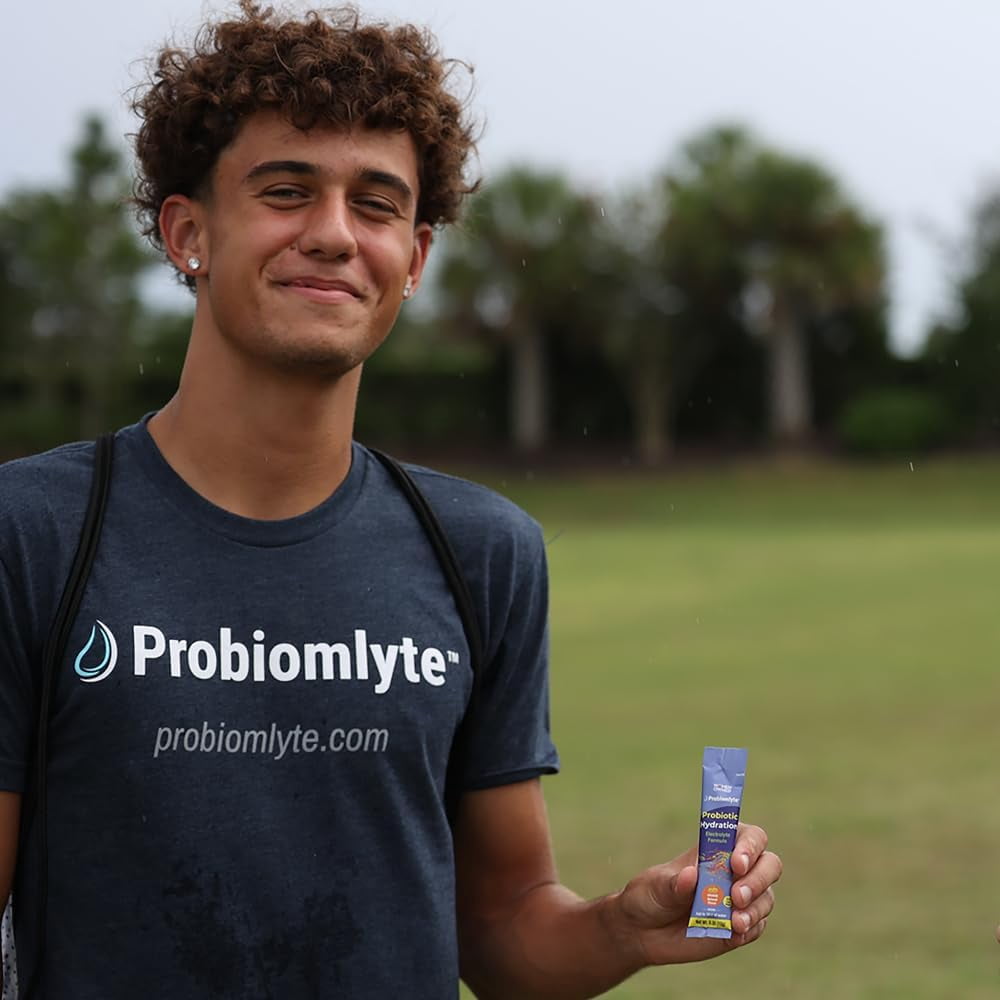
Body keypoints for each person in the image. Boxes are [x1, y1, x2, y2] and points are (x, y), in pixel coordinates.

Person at [0, 3, 781, 997]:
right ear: (189, 232)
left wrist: (620, 928)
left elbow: (500, 929)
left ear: (412, 260)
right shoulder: (32, 533)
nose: (334, 234)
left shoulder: (481, 551)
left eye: (375, 205)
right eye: (287, 191)